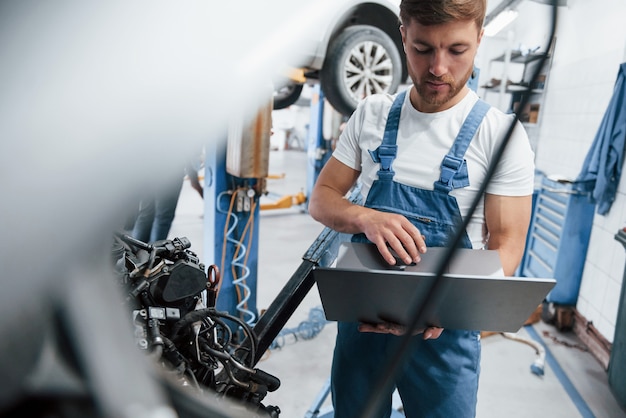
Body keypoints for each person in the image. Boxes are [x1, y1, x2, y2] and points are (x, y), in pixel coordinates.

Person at [308, 0, 535, 417]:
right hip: (365, 322)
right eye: (423, 48)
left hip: (443, 331)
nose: (438, 68)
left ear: (480, 38)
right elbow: (322, 199)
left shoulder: (500, 135)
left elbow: (506, 249)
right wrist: (366, 216)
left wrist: (444, 311)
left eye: (457, 50)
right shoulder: (372, 114)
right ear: (402, 35)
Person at [132, 160, 203, 243]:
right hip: (170, 174)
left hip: (147, 172)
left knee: (146, 214)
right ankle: (155, 252)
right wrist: (194, 179)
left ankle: (134, 250)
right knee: (162, 218)